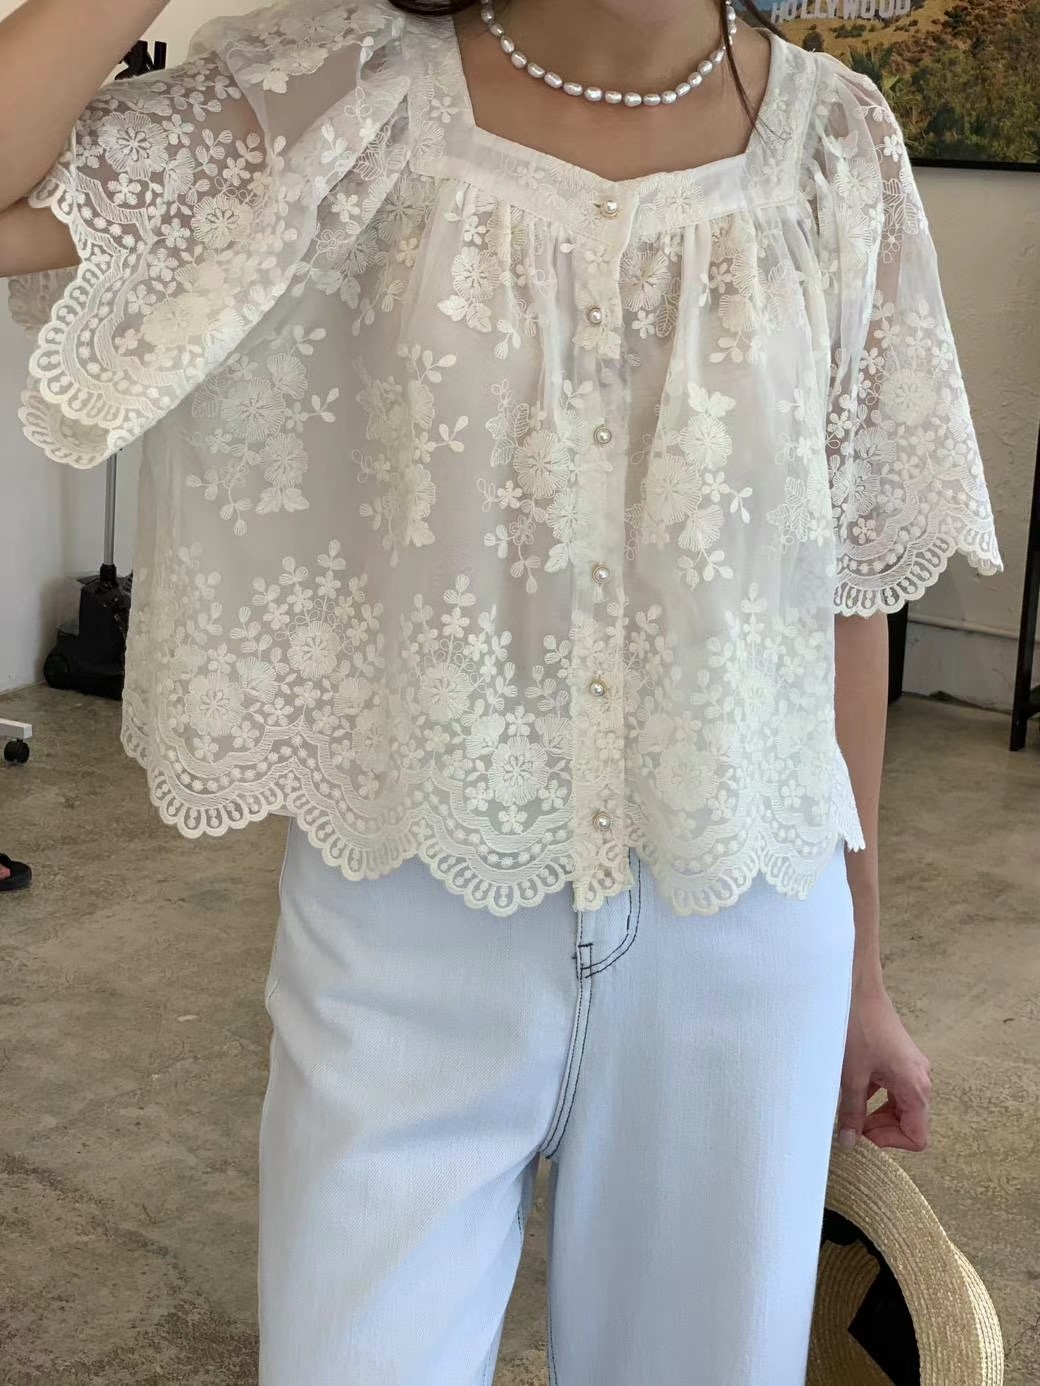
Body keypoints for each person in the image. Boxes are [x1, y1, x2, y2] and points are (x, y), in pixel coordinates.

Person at [0, 0, 1003, 1381]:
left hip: (744, 930)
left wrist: (865, 975)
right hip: (404, 922)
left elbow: (842, 590)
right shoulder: (349, 101)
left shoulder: (836, 145)